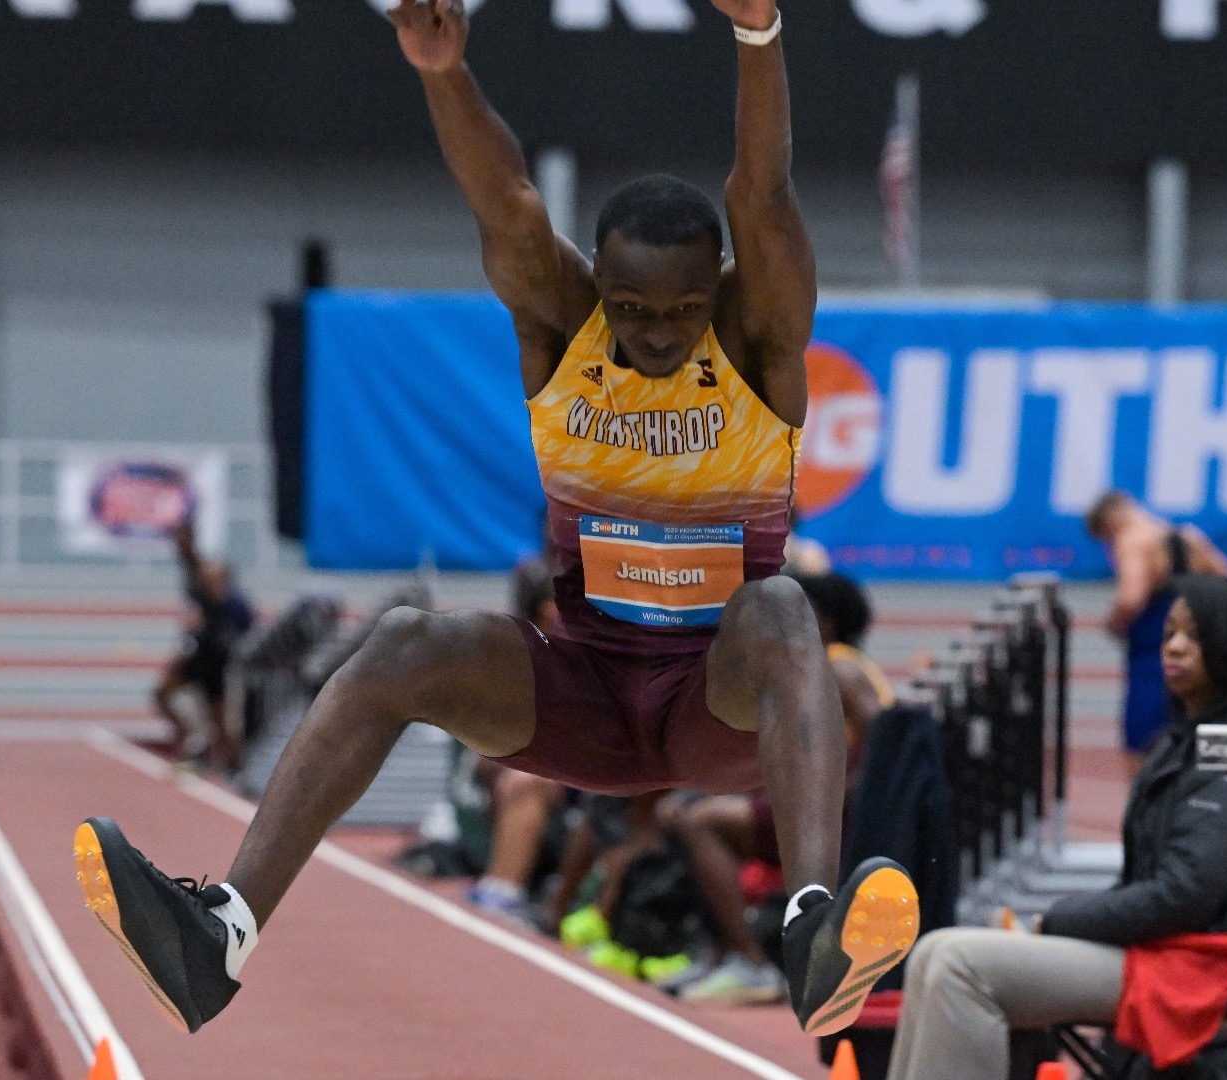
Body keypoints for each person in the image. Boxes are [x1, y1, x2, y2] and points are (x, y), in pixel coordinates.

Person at [71, 0, 918, 1040]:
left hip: (716, 701)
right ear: (596, 285)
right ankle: (220, 937)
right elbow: (509, 202)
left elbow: (764, 193)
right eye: (633, 307)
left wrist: (757, 35)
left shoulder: (758, 342)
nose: (656, 333)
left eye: (682, 308)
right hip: (586, 698)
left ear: (721, 292)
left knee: (784, 611)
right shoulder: (564, 327)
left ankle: (810, 931)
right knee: (401, 645)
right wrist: (442, 71)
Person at [885, 576, 1227, 1080]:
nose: (1174, 645)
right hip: (1152, 954)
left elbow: (1182, 896)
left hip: (1196, 972)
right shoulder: (1174, 747)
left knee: (960, 966)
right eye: (1169, 632)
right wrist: (1061, 921)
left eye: (1195, 634)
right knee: (933, 950)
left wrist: (1058, 920)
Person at [666, 571, 887, 1006]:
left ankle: (752, 963)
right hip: (807, 801)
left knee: (699, 823)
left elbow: (884, 740)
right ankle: (721, 953)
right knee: (681, 809)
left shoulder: (838, 668)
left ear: (822, 621)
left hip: (828, 812)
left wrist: (836, 793)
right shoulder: (823, 665)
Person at [1085, 491, 1227, 774]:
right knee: (1190, 728)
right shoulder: (1188, 537)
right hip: (1192, 650)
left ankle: (1142, 809)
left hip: (1150, 651)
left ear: (1110, 520)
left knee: (1141, 742)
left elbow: (1131, 597)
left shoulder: (1130, 540)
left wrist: (1114, 624)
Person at [465, 556, 568, 921]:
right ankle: (498, 884)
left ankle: (504, 890)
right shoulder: (520, 658)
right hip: (549, 770)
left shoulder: (586, 660)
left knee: (524, 782)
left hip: (585, 777)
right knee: (510, 773)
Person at [154, 521, 255, 770]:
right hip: (199, 658)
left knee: (219, 721)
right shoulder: (197, 580)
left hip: (216, 663)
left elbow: (248, 628)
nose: (211, 584)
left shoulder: (235, 605)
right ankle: (189, 739)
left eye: (217, 581)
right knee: (162, 693)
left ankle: (235, 766)